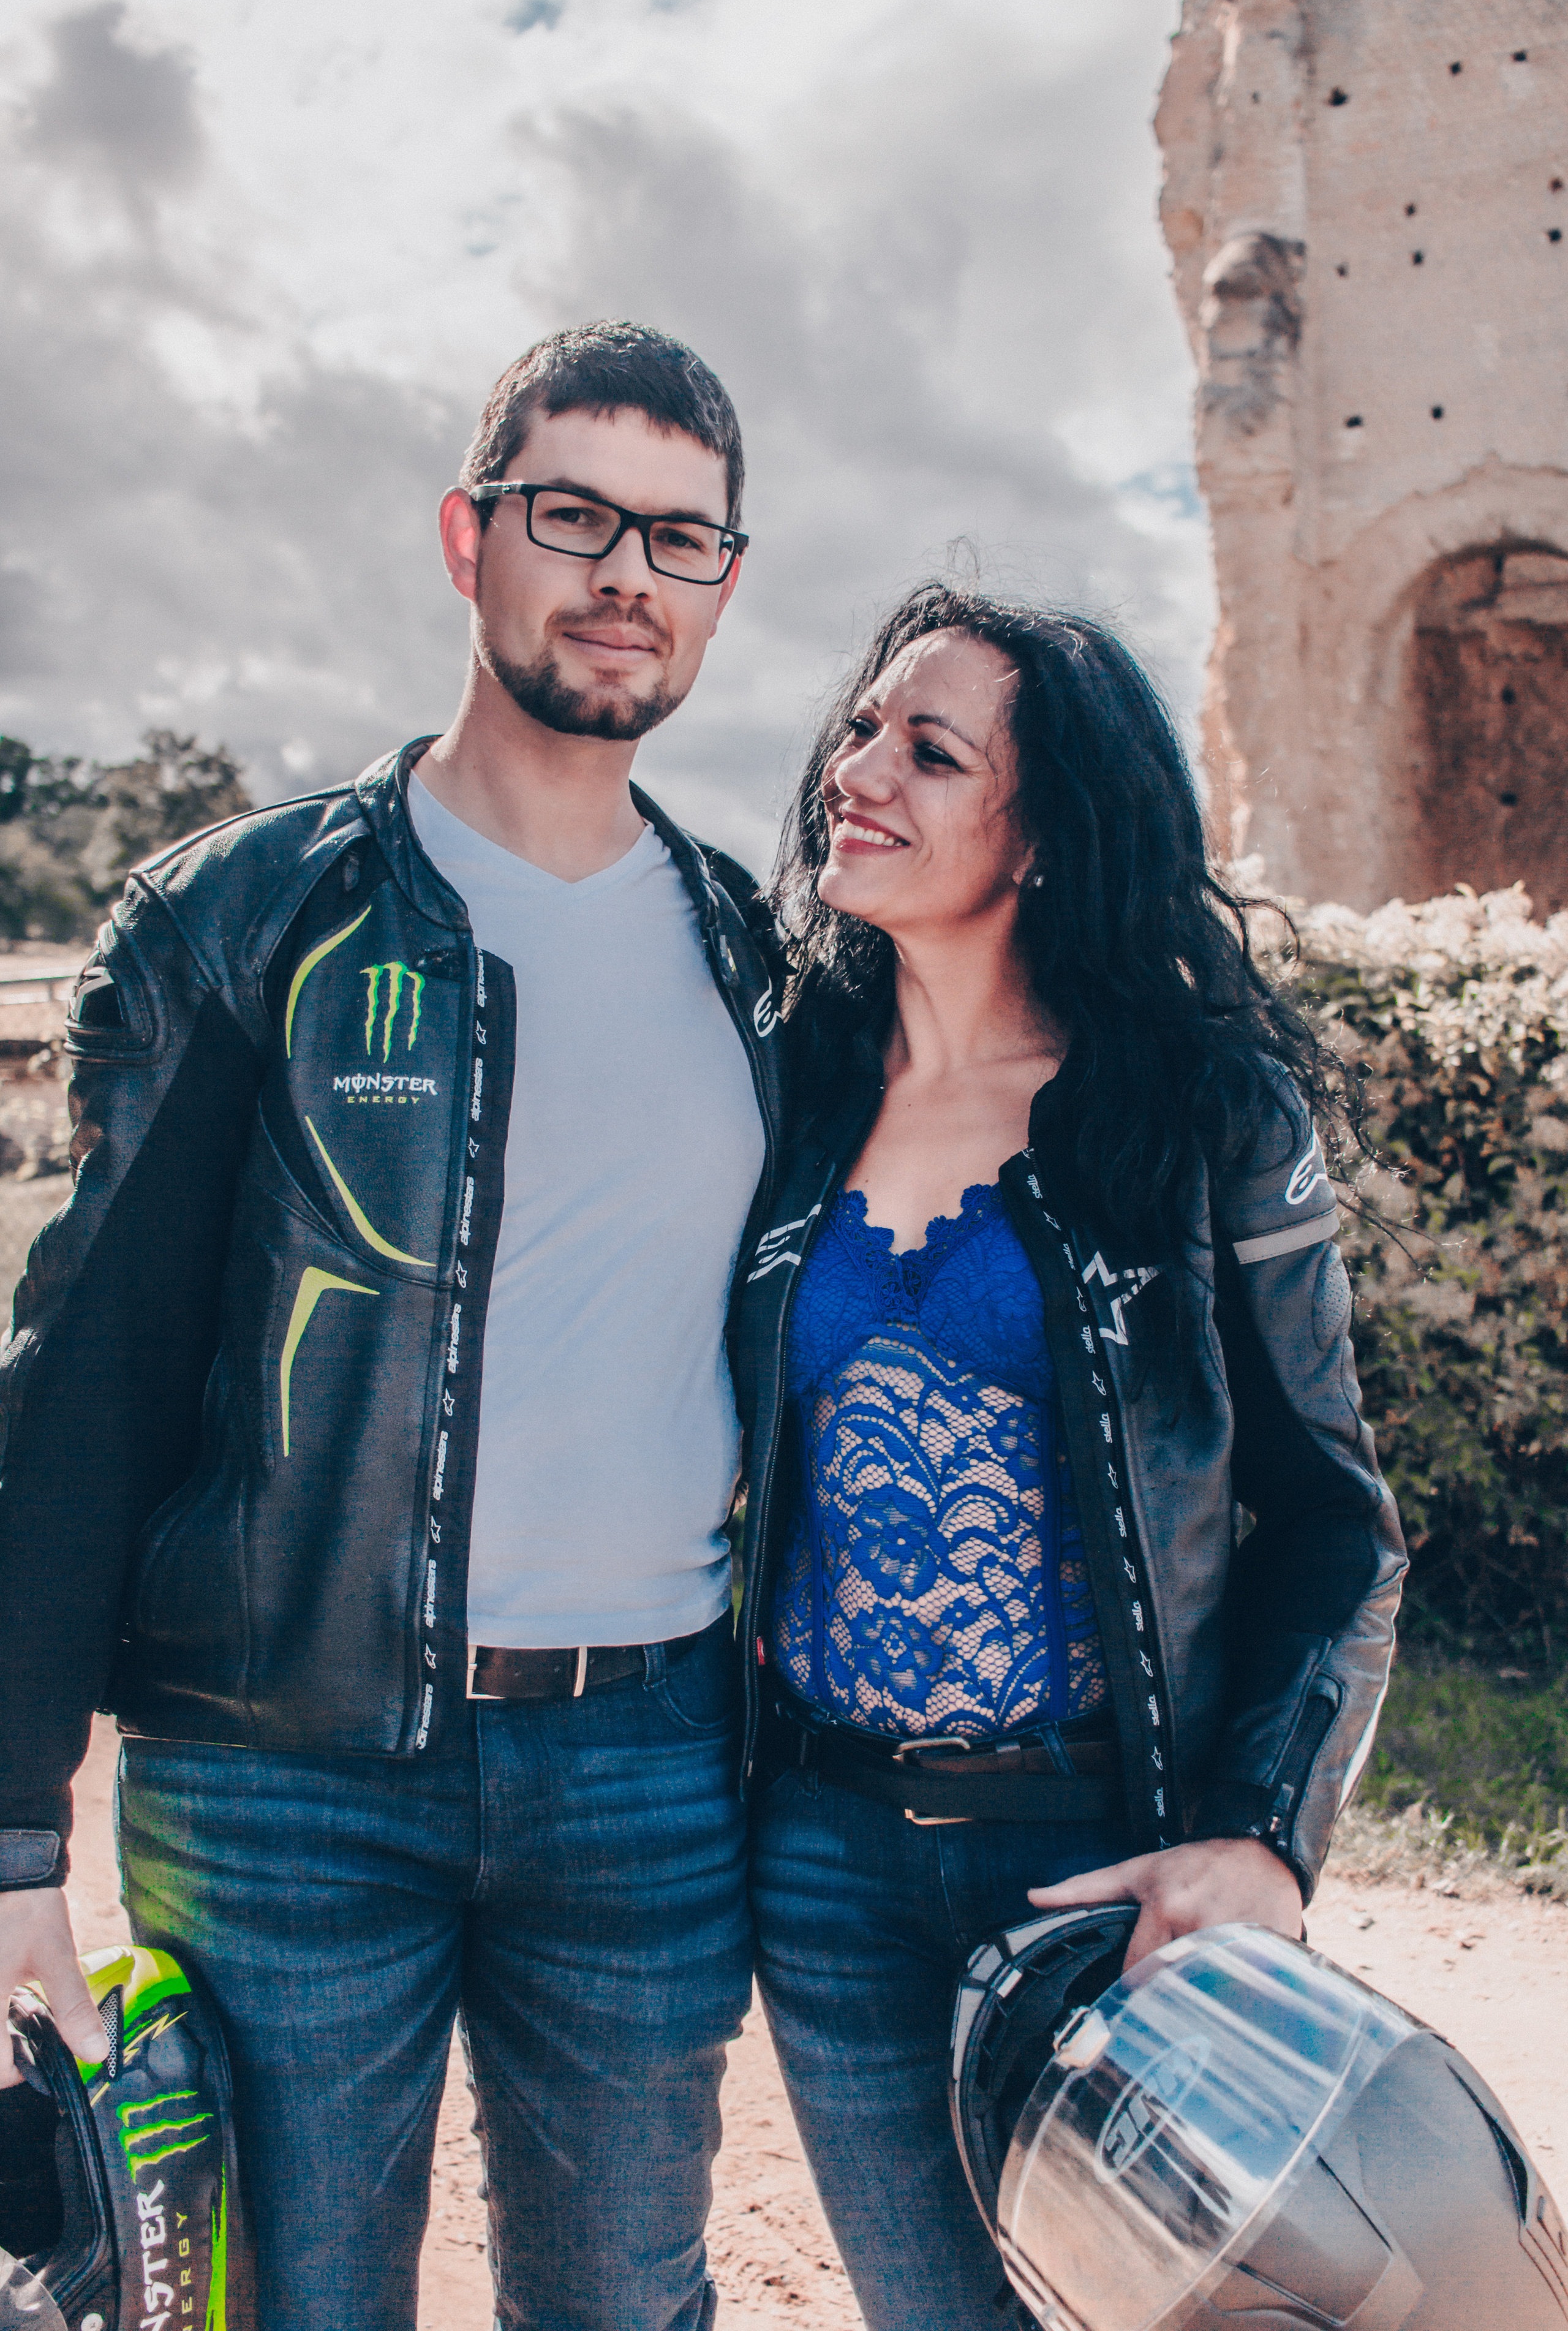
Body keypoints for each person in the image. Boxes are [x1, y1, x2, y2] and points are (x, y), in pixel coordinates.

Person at [0, 320, 784, 2331]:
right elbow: (85, 1380)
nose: (627, 574)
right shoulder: (245, 917)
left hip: (649, 1765)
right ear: (470, 538)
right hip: (281, 1775)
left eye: (679, 538)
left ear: (722, 586)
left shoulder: (759, 958)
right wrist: (13, 1828)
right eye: (576, 515)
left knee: (629, 2308)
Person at [728, 583, 1406, 2331]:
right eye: (864, 727)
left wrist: (1265, 1837)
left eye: (930, 750)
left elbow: (1333, 1523)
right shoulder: (786, 1090)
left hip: (1096, 1868)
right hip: (818, 1859)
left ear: (1043, 835)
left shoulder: (1198, 1112)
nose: (857, 769)